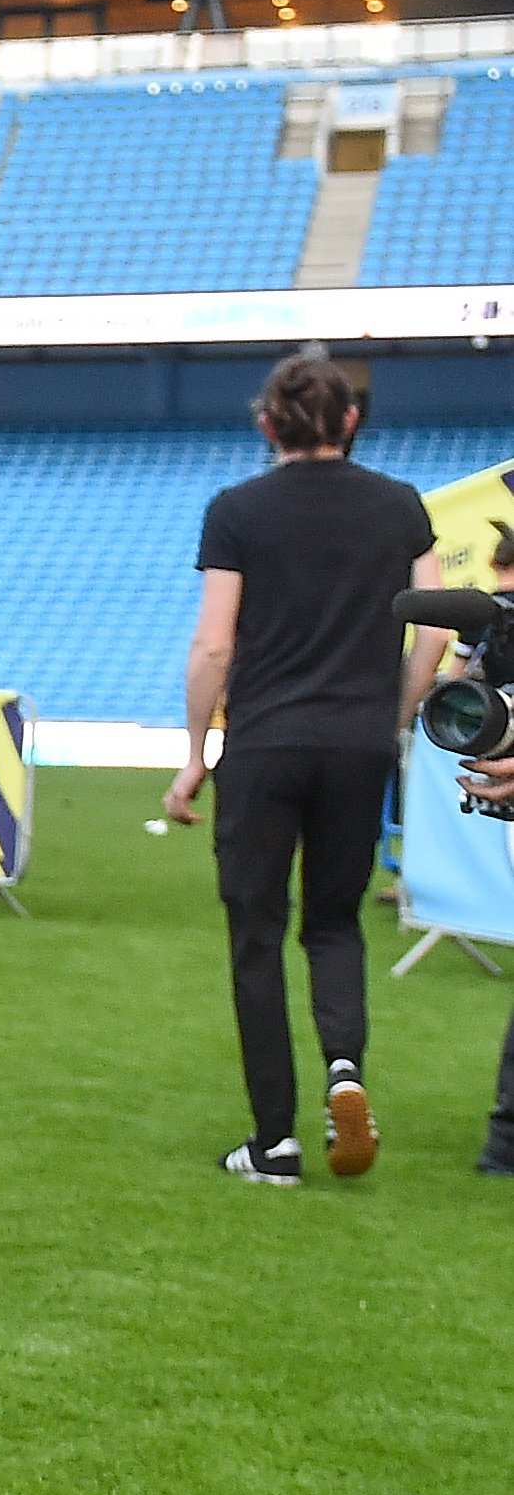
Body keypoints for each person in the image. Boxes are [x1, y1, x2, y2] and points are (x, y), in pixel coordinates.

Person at [162, 352, 442, 1184]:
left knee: (256, 935)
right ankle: (345, 1071)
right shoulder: (400, 506)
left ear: (266, 424)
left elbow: (215, 642)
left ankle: (274, 1140)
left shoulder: (237, 510)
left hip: (266, 744)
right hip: (357, 745)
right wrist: (392, 714)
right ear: (351, 421)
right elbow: (431, 629)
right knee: (334, 921)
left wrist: (193, 756)